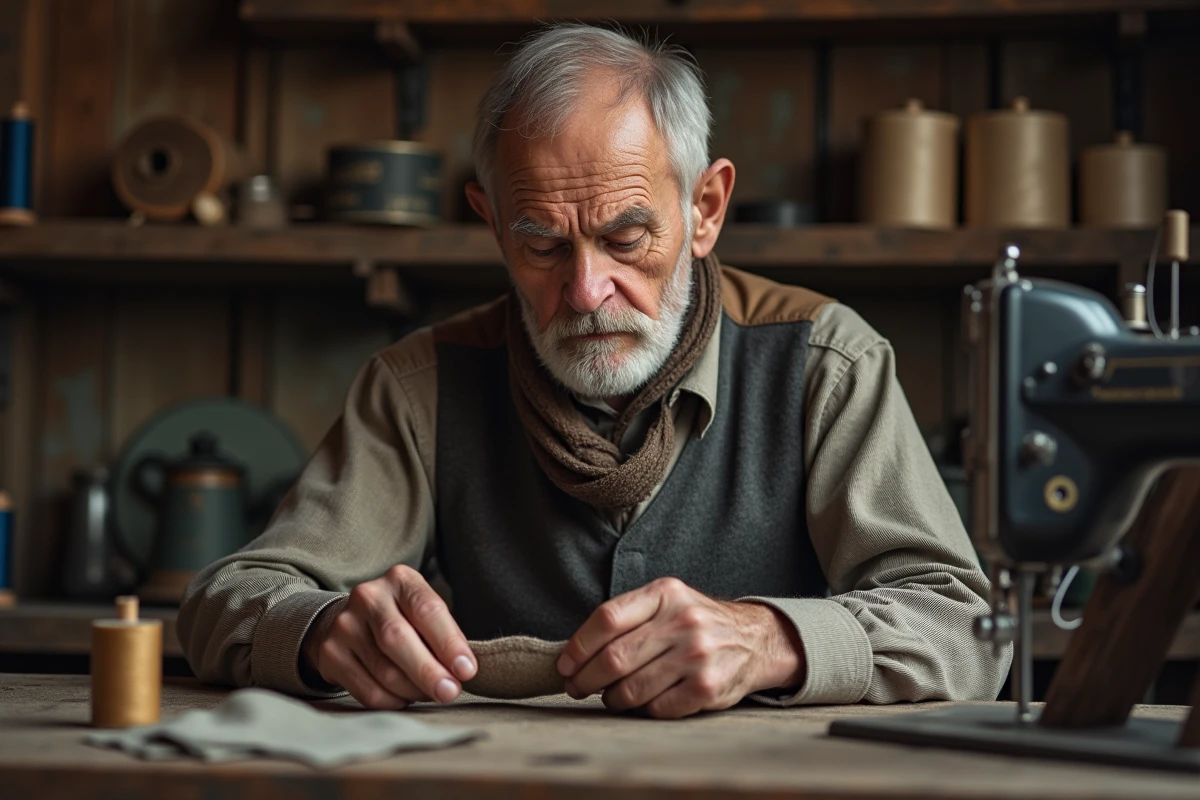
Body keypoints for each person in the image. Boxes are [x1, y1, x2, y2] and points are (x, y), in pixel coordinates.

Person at [178, 23, 1010, 719]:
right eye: (541, 243)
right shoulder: (420, 386)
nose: (584, 291)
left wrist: (771, 640)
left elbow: (965, 625)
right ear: (493, 224)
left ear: (704, 210)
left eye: (625, 239)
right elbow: (227, 600)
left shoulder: (827, 362)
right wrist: (323, 628)